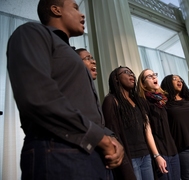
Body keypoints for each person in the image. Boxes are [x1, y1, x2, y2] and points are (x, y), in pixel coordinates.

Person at [6, 0, 124, 179]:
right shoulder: (31, 32)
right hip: (59, 151)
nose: (82, 14)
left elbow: (84, 107)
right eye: (76, 8)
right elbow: (38, 97)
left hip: (92, 154)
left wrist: (111, 138)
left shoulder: (72, 55)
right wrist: (100, 138)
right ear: (55, 9)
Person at [102, 66, 155, 180]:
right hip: (130, 157)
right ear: (116, 78)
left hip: (145, 155)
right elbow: (112, 132)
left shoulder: (138, 100)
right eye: (126, 72)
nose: (131, 75)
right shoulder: (111, 100)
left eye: (132, 73)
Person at [137, 69, 181, 180]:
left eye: (154, 75)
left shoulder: (163, 100)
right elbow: (148, 131)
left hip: (173, 150)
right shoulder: (143, 102)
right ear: (143, 83)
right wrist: (157, 156)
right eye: (149, 76)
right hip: (160, 151)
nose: (153, 77)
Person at [161, 75, 189, 180]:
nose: (179, 81)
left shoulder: (188, 100)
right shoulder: (166, 104)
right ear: (168, 83)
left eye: (180, 79)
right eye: (175, 79)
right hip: (183, 145)